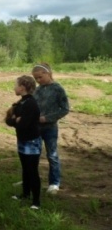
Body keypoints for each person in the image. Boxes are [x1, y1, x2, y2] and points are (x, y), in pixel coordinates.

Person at [31, 63, 69, 194]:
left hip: (50, 128)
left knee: (52, 155)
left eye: (40, 77)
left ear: (48, 74)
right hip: (35, 128)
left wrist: (47, 118)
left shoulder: (58, 89)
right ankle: (31, 179)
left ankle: (54, 183)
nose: (38, 80)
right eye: (36, 78)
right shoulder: (38, 90)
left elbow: (64, 109)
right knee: (33, 154)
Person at [6, 76, 42, 209]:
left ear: (22, 87)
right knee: (25, 169)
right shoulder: (20, 103)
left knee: (32, 170)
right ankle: (26, 194)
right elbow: (9, 120)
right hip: (22, 140)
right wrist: (16, 120)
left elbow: (24, 125)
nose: (14, 87)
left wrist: (16, 120)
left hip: (32, 142)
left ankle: (36, 201)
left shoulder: (31, 104)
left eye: (16, 85)